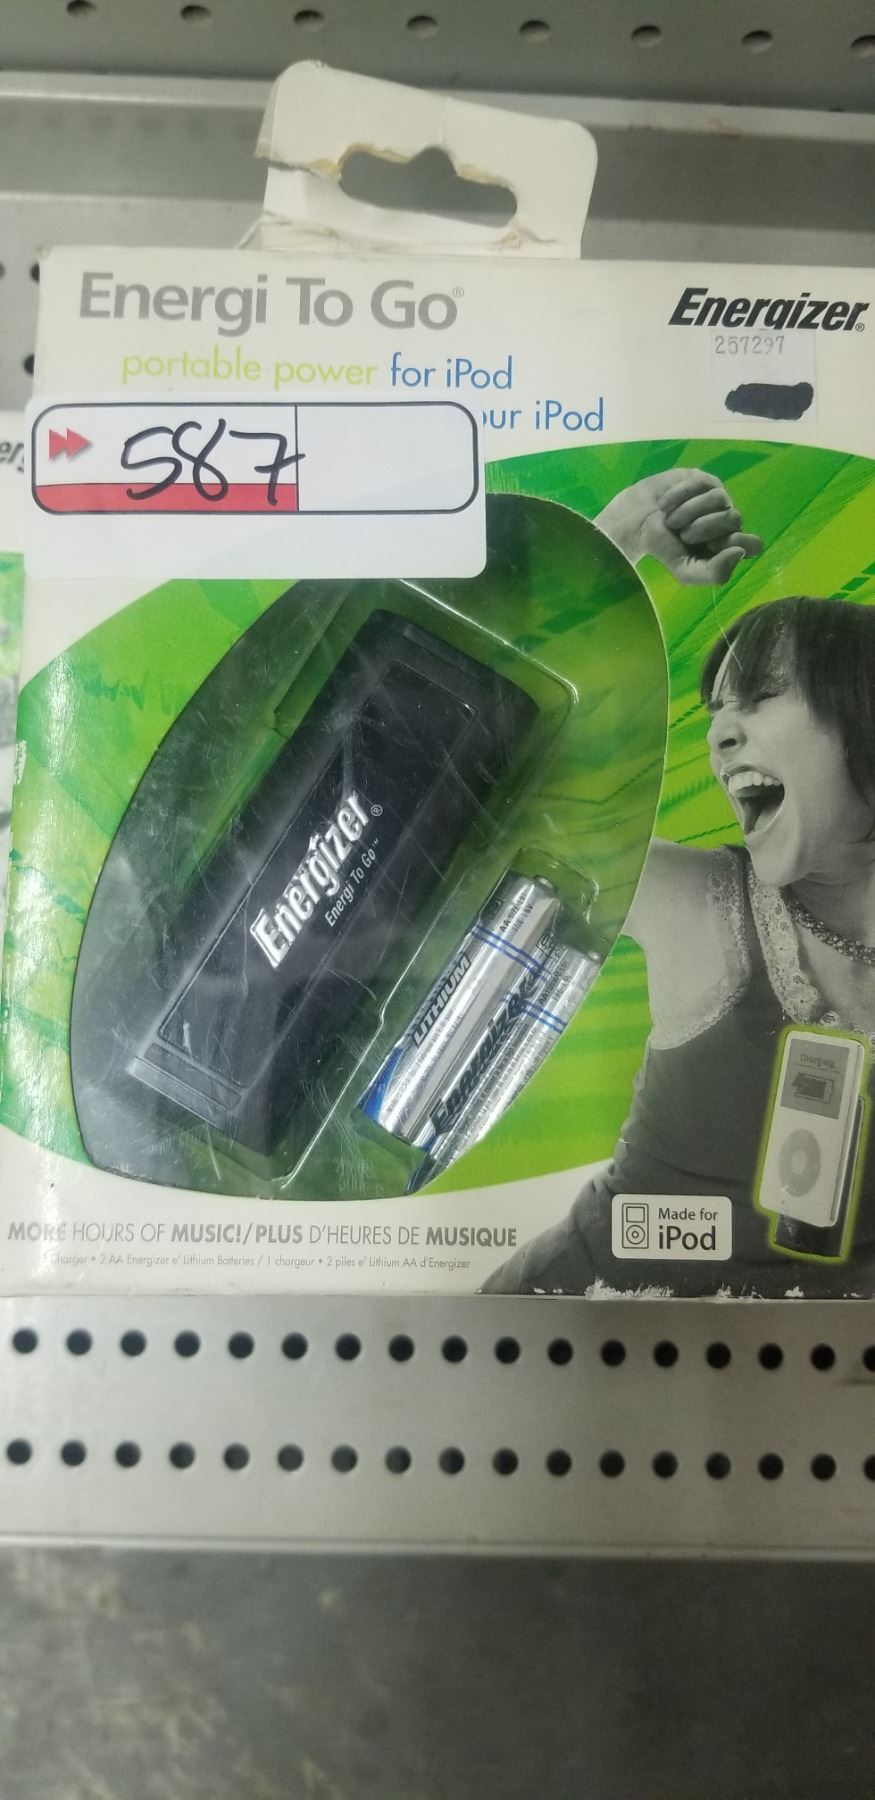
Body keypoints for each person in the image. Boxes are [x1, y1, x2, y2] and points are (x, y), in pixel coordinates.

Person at [485, 580, 875, 1298]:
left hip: (820, 1360)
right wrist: (612, 554)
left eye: (762, 695)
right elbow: (490, 777)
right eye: (715, 711)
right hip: (577, 1333)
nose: (718, 735)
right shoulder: (692, 900)